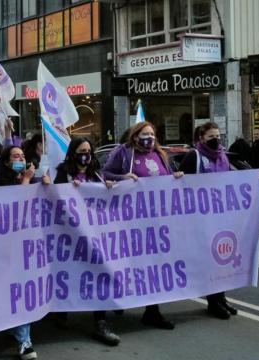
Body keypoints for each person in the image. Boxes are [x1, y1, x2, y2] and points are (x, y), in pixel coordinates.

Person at [178, 122, 259, 319]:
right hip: (201, 219)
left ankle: (221, 298)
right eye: (210, 137)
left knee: (220, 261)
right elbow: (180, 183)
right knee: (209, 261)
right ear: (201, 138)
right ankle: (213, 302)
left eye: (217, 135)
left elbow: (233, 182)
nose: (215, 139)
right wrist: (178, 176)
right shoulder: (194, 156)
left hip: (221, 218)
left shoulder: (223, 157)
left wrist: (255, 178)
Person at [101, 121, 183, 330]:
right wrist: (123, 178)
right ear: (135, 136)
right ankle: (116, 299)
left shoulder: (160, 154)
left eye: (153, 135)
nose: (150, 138)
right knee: (129, 265)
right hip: (131, 222)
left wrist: (175, 177)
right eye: (146, 134)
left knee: (153, 266)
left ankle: (152, 311)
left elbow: (166, 178)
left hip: (156, 221)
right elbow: (105, 175)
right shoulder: (124, 153)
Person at [53, 137, 120, 346]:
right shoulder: (63, 173)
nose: (86, 154)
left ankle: (100, 321)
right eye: (82, 150)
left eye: (89, 150)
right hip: (71, 235)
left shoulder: (95, 174)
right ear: (73, 153)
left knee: (97, 273)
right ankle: (61, 310)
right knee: (70, 271)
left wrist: (108, 186)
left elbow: (102, 199)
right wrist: (67, 188)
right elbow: (55, 197)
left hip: (94, 234)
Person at [0, 145, 50, 360]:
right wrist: (27, 180)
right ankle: (16, 333)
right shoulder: (0, 183)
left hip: (28, 246)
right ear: (6, 162)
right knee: (12, 289)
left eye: (23, 156)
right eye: (15, 156)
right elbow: (16, 205)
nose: (21, 159)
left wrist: (44, 185)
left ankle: (24, 339)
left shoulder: (29, 180)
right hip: (6, 246)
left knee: (24, 289)